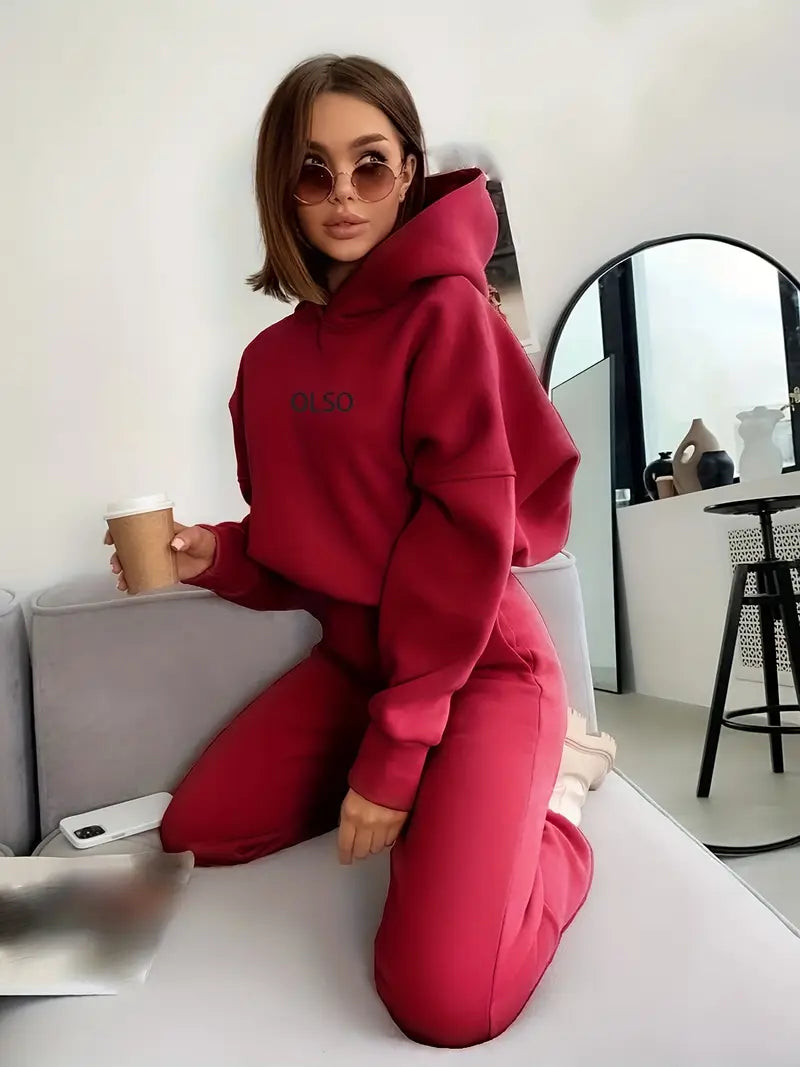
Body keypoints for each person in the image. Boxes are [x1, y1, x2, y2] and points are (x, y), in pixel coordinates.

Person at [107, 54, 616, 1049]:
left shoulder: (449, 315)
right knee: (198, 830)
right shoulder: (268, 363)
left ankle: (553, 810)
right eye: (313, 170)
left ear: (408, 171)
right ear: (281, 188)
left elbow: (458, 543)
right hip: (359, 664)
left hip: (480, 665)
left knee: (445, 1001)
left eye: (370, 164)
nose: (342, 194)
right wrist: (213, 555)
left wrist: (393, 759)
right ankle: (455, 793)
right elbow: (307, 546)